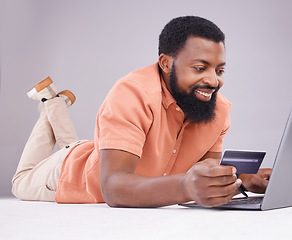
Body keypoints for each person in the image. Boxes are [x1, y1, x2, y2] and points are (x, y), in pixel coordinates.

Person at [12, 16, 271, 208]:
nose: (214, 81)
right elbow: (113, 188)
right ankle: (50, 103)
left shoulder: (219, 110)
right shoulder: (132, 94)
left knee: (73, 145)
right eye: (200, 68)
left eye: (219, 70)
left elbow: (204, 170)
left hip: (97, 151)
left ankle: (57, 105)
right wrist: (185, 186)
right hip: (70, 173)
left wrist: (240, 180)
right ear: (166, 63)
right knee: (21, 180)